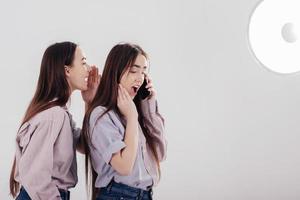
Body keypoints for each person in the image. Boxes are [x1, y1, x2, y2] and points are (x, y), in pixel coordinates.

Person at [9, 41, 100, 200]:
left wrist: (89, 102)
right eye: (83, 62)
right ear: (67, 70)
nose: (89, 68)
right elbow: (35, 176)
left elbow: (85, 145)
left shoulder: (60, 113)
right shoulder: (53, 115)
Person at [82, 43, 167, 200]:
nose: (139, 78)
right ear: (116, 73)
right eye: (134, 70)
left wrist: (148, 105)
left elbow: (160, 154)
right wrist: (132, 117)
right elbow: (124, 166)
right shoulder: (101, 115)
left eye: (143, 72)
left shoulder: (136, 112)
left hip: (145, 195)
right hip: (118, 195)